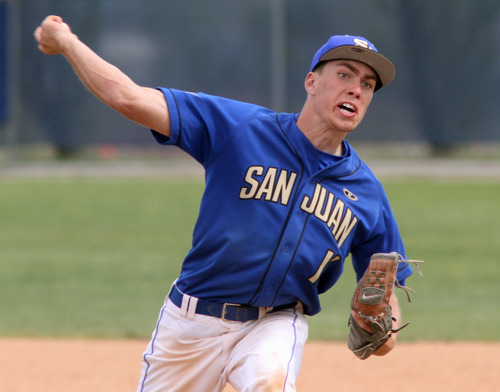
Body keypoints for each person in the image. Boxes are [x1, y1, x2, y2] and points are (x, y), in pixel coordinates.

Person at [34, 15, 414, 392]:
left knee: (270, 381)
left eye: (367, 84)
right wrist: (65, 40)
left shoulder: (367, 194)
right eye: (345, 75)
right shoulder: (240, 128)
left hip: (276, 324)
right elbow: (127, 97)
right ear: (311, 82)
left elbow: (386, 303)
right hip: (191, 322)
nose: (357, 89)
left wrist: (382, 332)